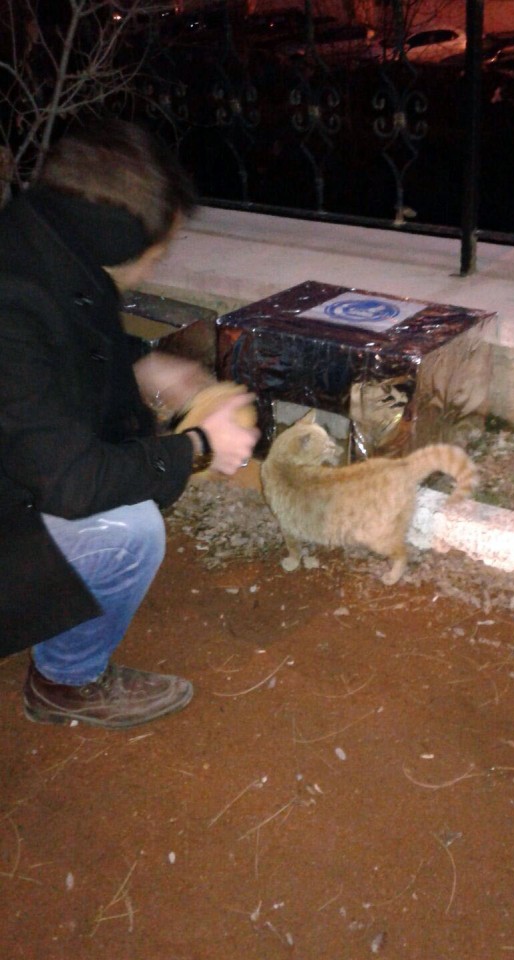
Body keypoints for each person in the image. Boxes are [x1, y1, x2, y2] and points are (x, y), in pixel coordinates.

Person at [0, 120, 259, 729]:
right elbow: (72, 481)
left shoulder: (36, 245)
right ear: (115, 237)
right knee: (127, 529)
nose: (157, 263)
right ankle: (66, 682)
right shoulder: (12, 302)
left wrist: (145, 367)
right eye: (158, 252)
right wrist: (197, 445)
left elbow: (53, 361)